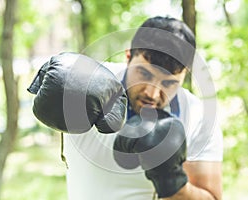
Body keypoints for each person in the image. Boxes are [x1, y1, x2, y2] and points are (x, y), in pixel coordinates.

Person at [28, 16, 223, 200]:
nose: (152, 94)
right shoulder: (89, 81)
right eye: (145, 74)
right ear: (128, 56)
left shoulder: (198, 117)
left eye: (168, 83)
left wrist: (172, 180)